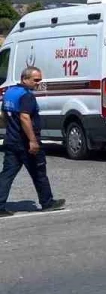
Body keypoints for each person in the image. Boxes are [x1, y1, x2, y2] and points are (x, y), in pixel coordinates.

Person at [0, 66, 66, 217]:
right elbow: (25, 117)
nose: (38, 83)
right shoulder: (26, 96)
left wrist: (9, 128)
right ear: (25, 79)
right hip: (25, 143)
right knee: (39, 172)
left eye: (40, 80)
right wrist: (33, 141)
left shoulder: (10, 92)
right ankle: (47, 202)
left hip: (11, 140)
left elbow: (4, 114)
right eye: (36, 80)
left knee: (7, 174)